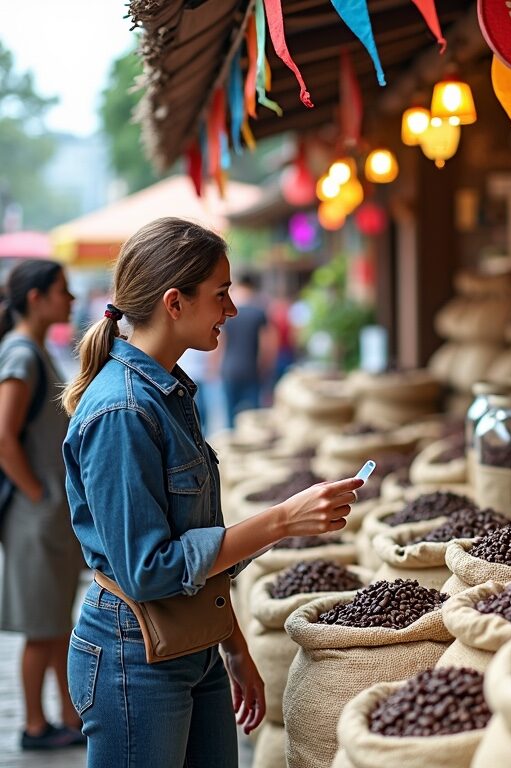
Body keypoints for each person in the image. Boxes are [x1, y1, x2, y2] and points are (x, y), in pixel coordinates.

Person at [61, 217, 363, 766]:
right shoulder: (123, 411)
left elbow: (194, 542)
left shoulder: (169, 391)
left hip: (193, 646)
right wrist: (282, 520)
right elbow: (148, 570)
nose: (232, 310)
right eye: (220, 295)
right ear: (175, 303)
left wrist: (232, 643)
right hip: (135, 657)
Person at [0, 260, 86, 750]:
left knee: (55, 619)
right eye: (62, 290)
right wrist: (39, 495)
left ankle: (66, 715)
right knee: (40, 626)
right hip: (35, 514)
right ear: (36, 298)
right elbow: (4, 439)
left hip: (46, 512)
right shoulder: (20, 354)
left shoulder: (30, 350)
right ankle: (34, 725)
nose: (71, 300)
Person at [218, 273, 276, 427]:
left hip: (229, 368)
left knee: (230, 416)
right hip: (251, 369)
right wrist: (265, 368)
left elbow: (221, 343)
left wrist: (216, 366)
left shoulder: (227, 314)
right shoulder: (258, 312)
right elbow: (267, 346)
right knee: (256, 416)